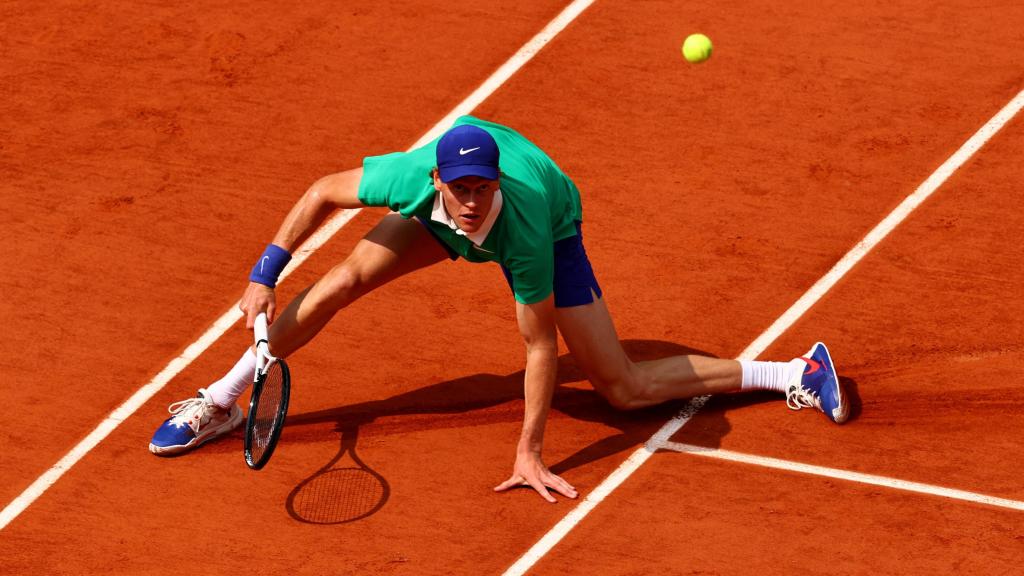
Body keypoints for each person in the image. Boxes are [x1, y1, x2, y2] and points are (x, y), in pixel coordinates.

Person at [149, 116, 849, 503]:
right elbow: (321, 191)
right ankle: (223, 400)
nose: (472, 199)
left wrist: (529, 452)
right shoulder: (415, 182)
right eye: (460, 187)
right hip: (444, 212)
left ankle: (793, 371)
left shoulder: (526, 230)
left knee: (624, 389)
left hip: (551, 223)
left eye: (482, 187)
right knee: (342, 280)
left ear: (494, 184)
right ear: (437, 180)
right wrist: (265, 271)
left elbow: (539, 346)